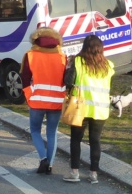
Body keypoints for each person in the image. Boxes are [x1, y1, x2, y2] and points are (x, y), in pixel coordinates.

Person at [63, 35, 114, 183]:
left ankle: (75, 173)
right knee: (95, 141)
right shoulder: (109, 65)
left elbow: (68, 81)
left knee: (76, 140)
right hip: (101, 110)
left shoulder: (78, 62)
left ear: (85, 47)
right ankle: (93, 174)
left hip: (80, 108)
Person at [20, 26, 67, 174]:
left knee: (35, 131)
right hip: (56, 101)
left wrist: (29, 97)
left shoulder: (30, 55)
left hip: (37, 101)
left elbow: (25, 79)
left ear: (35, 40)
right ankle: (50, 165)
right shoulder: (62, 56)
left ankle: (43, 159)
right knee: (52, 132)